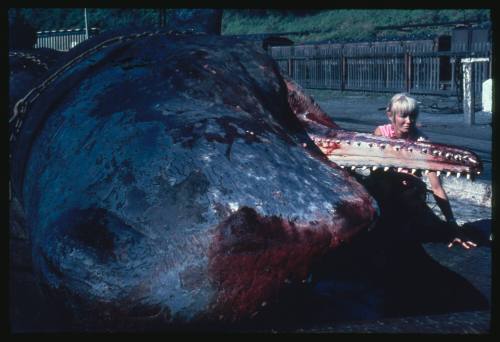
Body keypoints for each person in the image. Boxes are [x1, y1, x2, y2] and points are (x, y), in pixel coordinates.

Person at [374, 93, 477, 250]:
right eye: (403, 116)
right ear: (390, 115)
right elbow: (375, 172)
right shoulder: (381, 134)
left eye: (413, 116)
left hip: (409, 195)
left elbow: (436, 187)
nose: (409, 121)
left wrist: (452, 224)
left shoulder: (422, 143)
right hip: (385, 190)